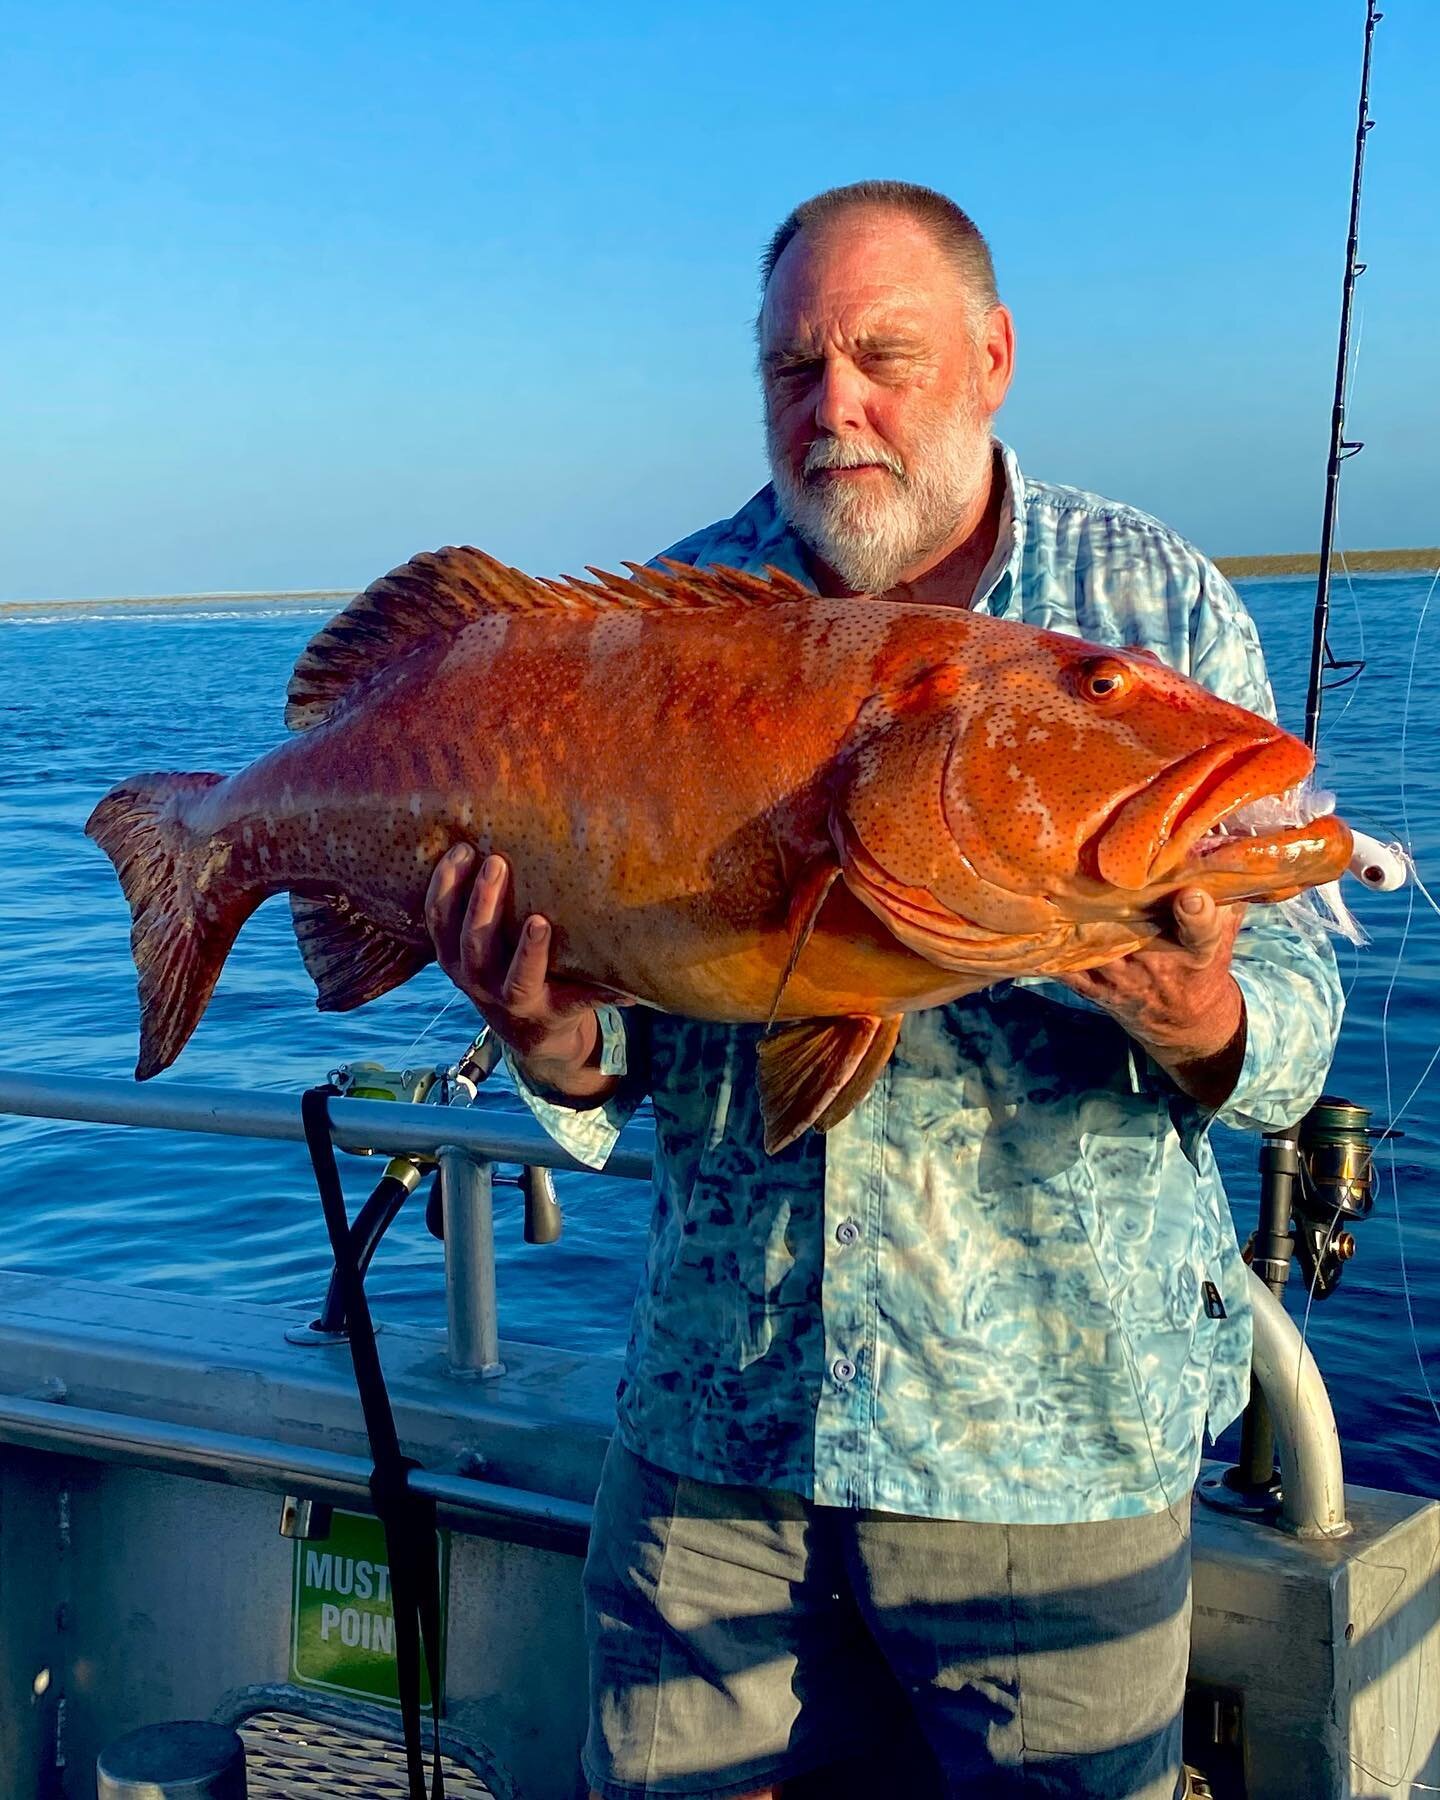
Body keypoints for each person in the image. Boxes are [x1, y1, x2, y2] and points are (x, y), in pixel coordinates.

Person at [424, 182, 1343, 1800]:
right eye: (791, 368)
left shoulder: (1155, 608)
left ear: (991, 358)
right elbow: (612, 1048)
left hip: (1054, 1455)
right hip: (717, 1440)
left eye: (882, 356)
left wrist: (1201, 1015)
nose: (832, 404)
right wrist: (556, 1049)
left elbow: (1294, 1010)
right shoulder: (664, 619)